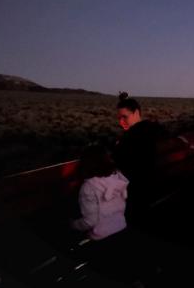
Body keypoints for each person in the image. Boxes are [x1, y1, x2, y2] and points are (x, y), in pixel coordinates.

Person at [112, 92, 165, 229]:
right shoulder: (154, 130)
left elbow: (118, 162)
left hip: (135, 192)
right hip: (154, 186)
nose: (121, 122)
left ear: (136, 112)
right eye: (119, 118)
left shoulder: (131, 138)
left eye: (124, 117)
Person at [71, 144, 128, 241]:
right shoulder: (117, 176)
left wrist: (73, 225)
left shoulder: (88, 187)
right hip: (121, 227)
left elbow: (90, 222)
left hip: (100, 237)